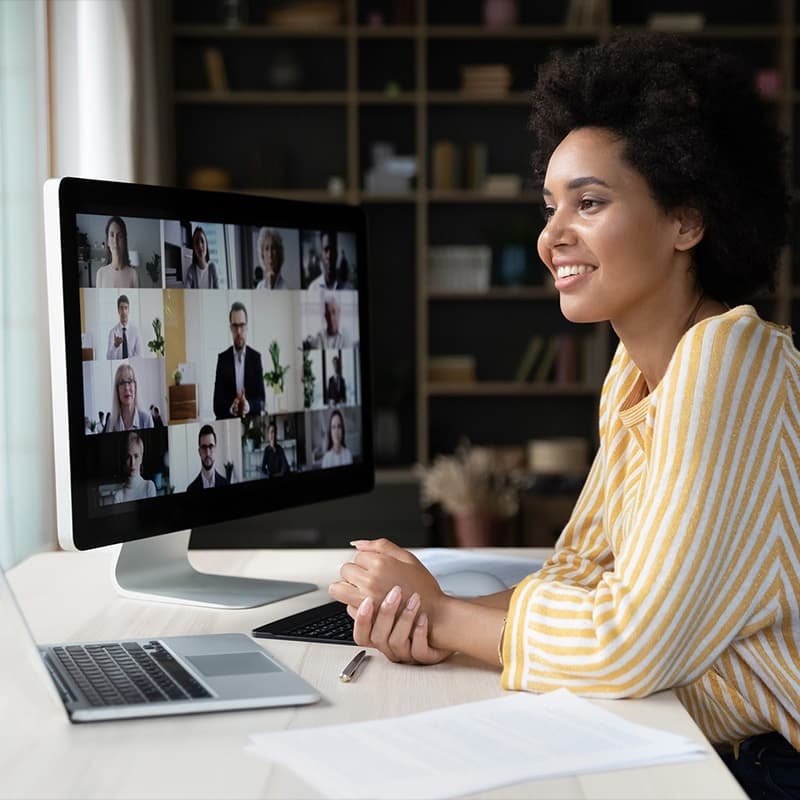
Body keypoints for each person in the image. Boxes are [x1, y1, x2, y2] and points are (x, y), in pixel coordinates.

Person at [328, 32, 800, 798]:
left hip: (764, 768)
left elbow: (628, 647)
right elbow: (581, 575)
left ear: (686, 222)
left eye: (590, 202)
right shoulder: (639, 373)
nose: (552, 238)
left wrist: (444, 618)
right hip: (687, 740)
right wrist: (417, 609)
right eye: (551, 206)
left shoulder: (731, 361)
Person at [213, 301, 265, 419]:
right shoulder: (222, 359)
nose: (239, 331)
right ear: (230, 328)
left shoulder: (256, 358)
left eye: (242, 325)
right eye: (235, 326)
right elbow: (216, 405)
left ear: (247, 326)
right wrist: (231, 408)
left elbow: (261, 401)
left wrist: (249, 406)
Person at [104, 363, 154, 432]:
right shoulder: (111, 422)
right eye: (121, 383)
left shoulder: (146, 419)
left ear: (135, 386)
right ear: (117, 390)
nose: (126, 388)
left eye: (130, 381)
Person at [95, 216, 139, 289]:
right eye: (112, 235)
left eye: (119, 236)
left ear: (124, 241)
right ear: (108, 241)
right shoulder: (101, 273)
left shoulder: (133, 274)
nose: (115, 241)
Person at [113, 432, 156, 503]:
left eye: (136, 456)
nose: (132, 463)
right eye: (128, 457)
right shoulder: (118, 496)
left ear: (141, 458)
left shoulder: (149, 486)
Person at [187, 424, 229, 491]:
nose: (208, 453)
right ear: (199, 452)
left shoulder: (226, 484)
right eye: (204, 447)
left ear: (215, 450)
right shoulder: (191, 489)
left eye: (211, 446)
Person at [105, 294, 141, 360]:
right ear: (118, 310)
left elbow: (140, 355)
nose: (124, 312)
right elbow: (108, 358)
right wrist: (115, 346)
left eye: (126, 308)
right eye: (121, 308)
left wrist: (127, 362)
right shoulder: (113, 332)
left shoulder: (136, 331)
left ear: (129, 310)